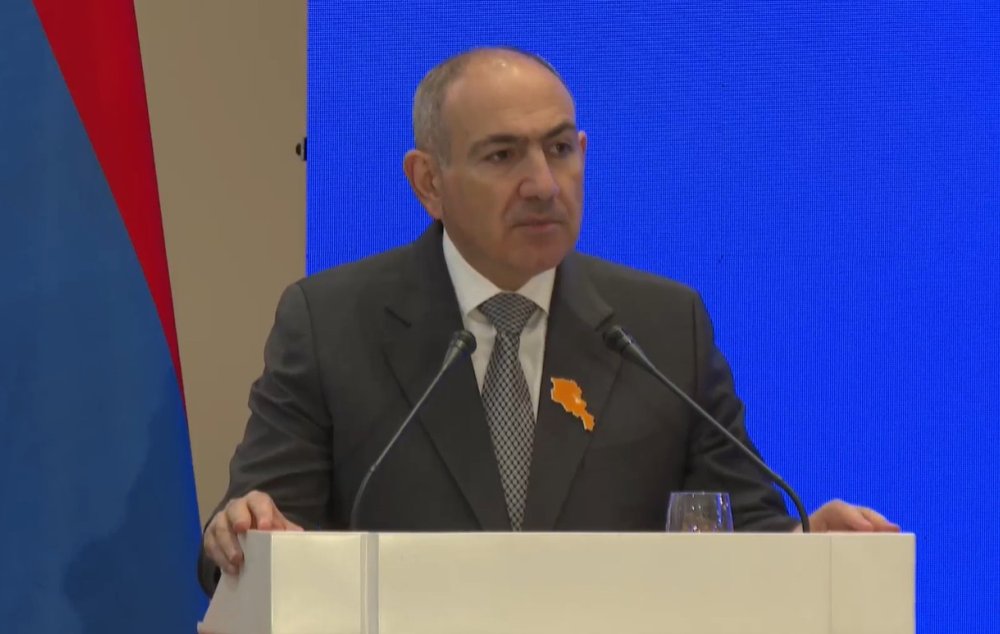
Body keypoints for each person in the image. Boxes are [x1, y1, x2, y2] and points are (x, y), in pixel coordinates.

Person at [198, 47, 898, 594]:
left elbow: (739, 525)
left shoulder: (662, 326)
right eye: (503, 155)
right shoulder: (331, 323)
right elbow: (252, 543)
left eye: (559, 149)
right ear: (428, 182)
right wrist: (243, 532)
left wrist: (806, 549)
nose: (542, 184)